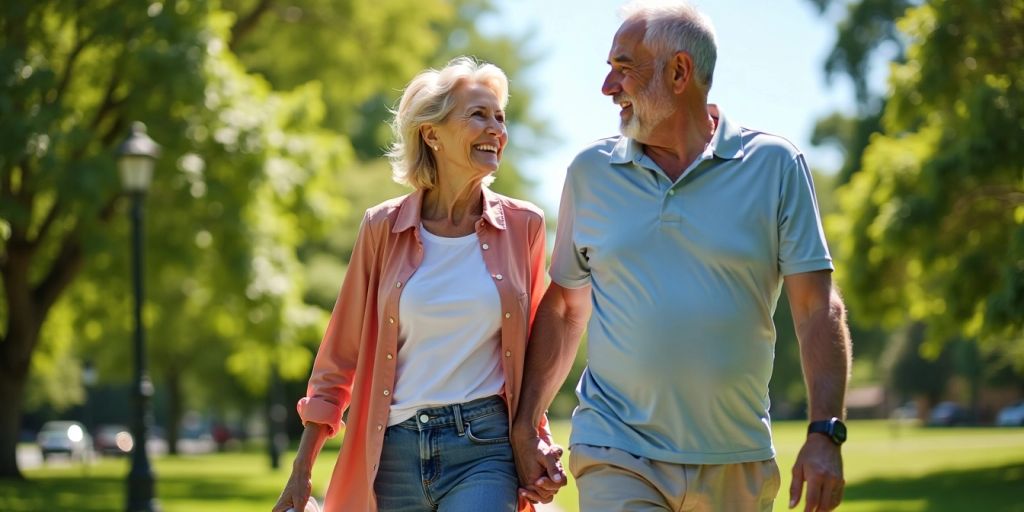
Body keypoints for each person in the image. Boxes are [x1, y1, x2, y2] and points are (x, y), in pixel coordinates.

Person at [511, 2, 853, 511]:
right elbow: (564, 308)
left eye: (624, 68)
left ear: (679, 72)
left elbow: (816, 307)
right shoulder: (590, 173)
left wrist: (826, 431)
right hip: (616, 449)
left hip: (736, 458)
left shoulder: (775, 166)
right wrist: (525, 424)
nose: (608, 87)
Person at [273, 56, 558, 512]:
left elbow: (539, 348)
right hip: (393, 452)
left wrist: (534, 437)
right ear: (432, 134)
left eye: (500, 118)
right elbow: (338, 356)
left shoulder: (524, 226)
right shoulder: (382, 228)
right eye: (479, 115)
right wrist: (302, 470)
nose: (496, 130)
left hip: (484, 448)